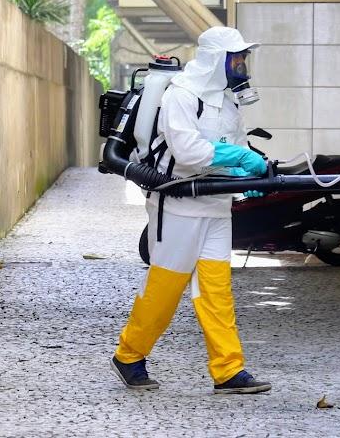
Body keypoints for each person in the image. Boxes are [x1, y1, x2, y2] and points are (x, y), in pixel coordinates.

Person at [110, 26, 272, 394]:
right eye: (236, 57)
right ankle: (129, 355)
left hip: (217, 208)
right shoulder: (180, 96)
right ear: (217, 59)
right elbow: (188, 153)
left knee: (217, 291)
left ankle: (229, 370)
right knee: (164, 291)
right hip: (179, 207)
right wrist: (240, 157)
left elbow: (234, 147)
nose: (242, 64)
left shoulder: (230, 101)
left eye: (244, 57)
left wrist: (244, 176)